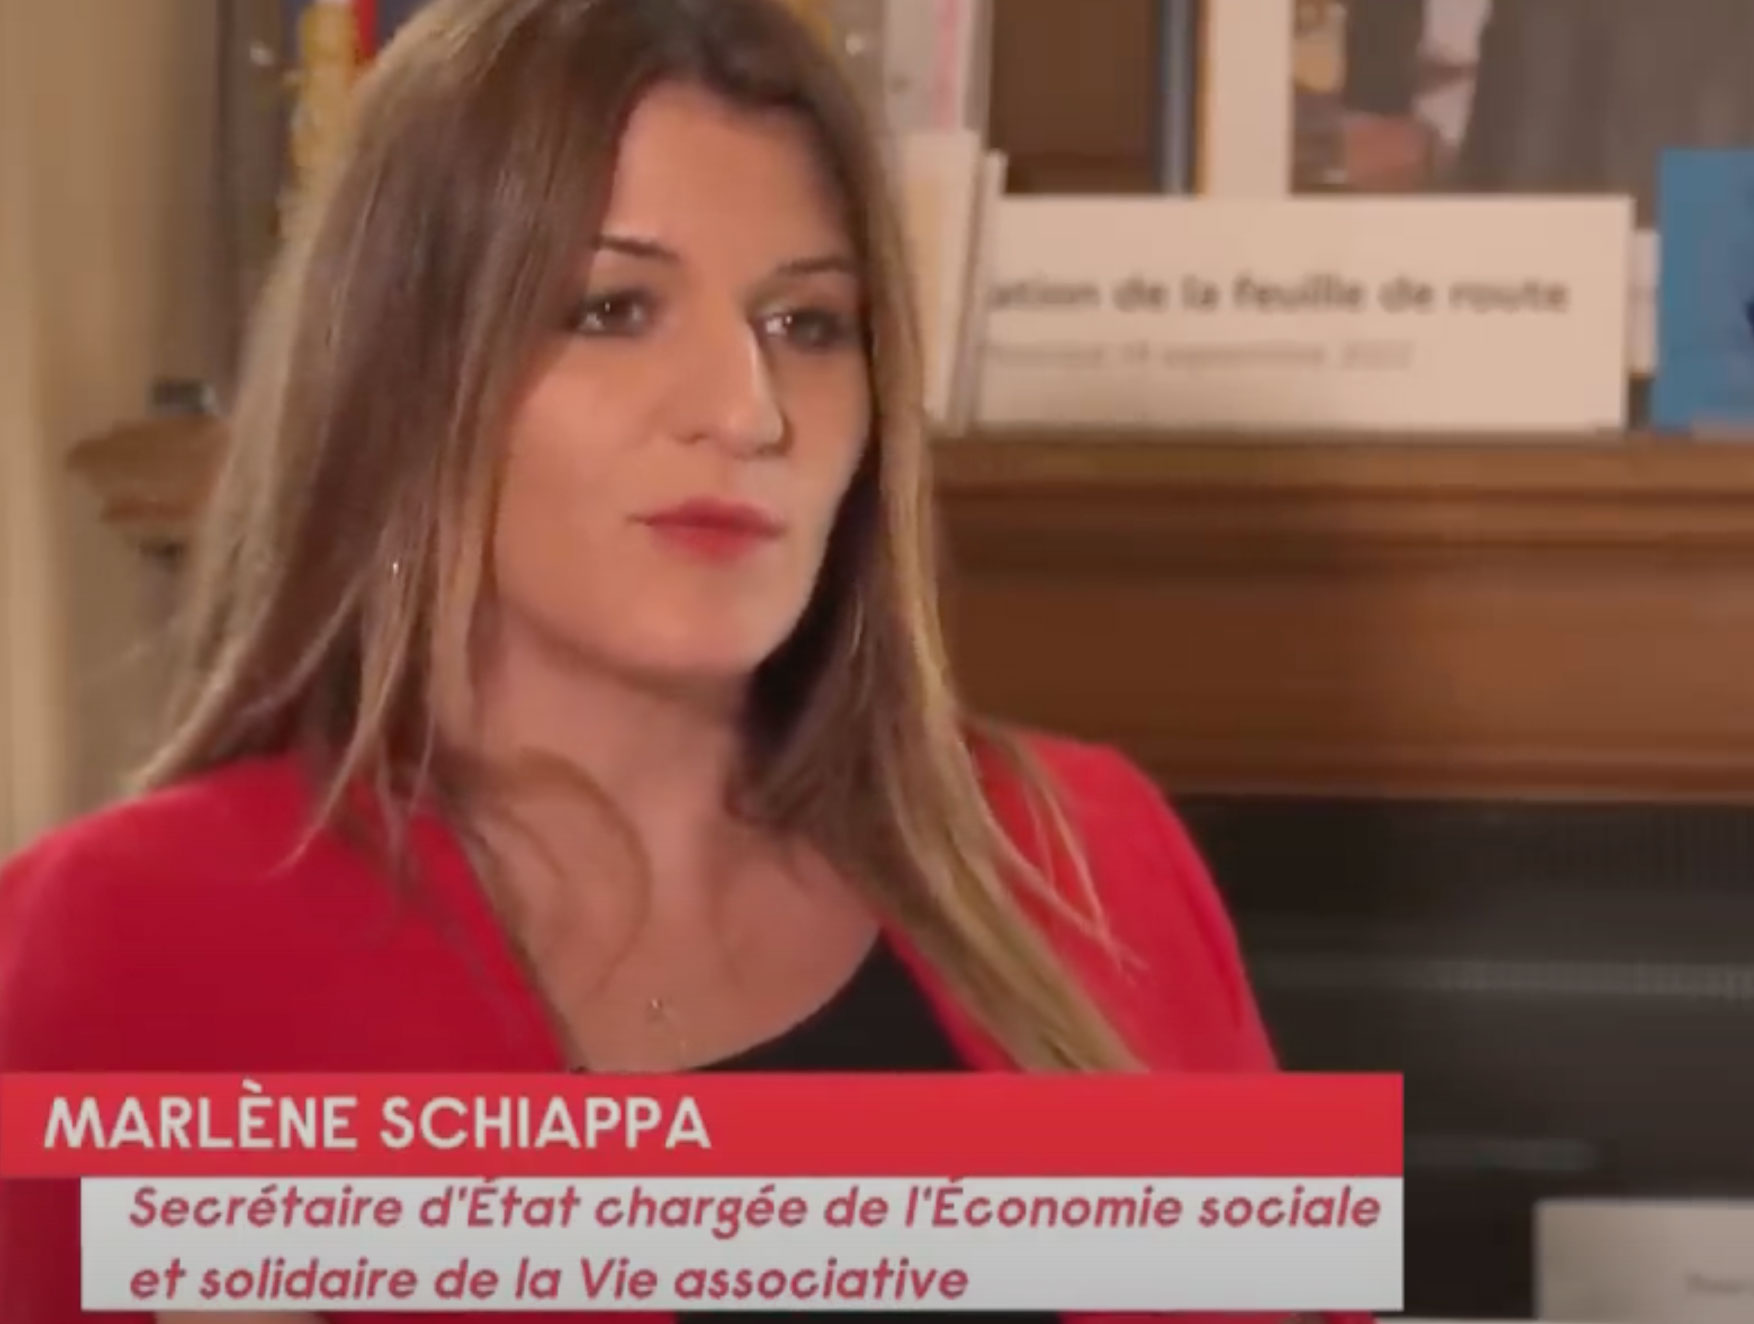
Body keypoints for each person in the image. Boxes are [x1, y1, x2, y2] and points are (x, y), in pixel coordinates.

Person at [0, 2, 1353, 1321]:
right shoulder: (129, 937)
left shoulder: (1088, 855)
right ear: (405, 376)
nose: (744, 410)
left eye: (806, 325)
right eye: (612, 308)